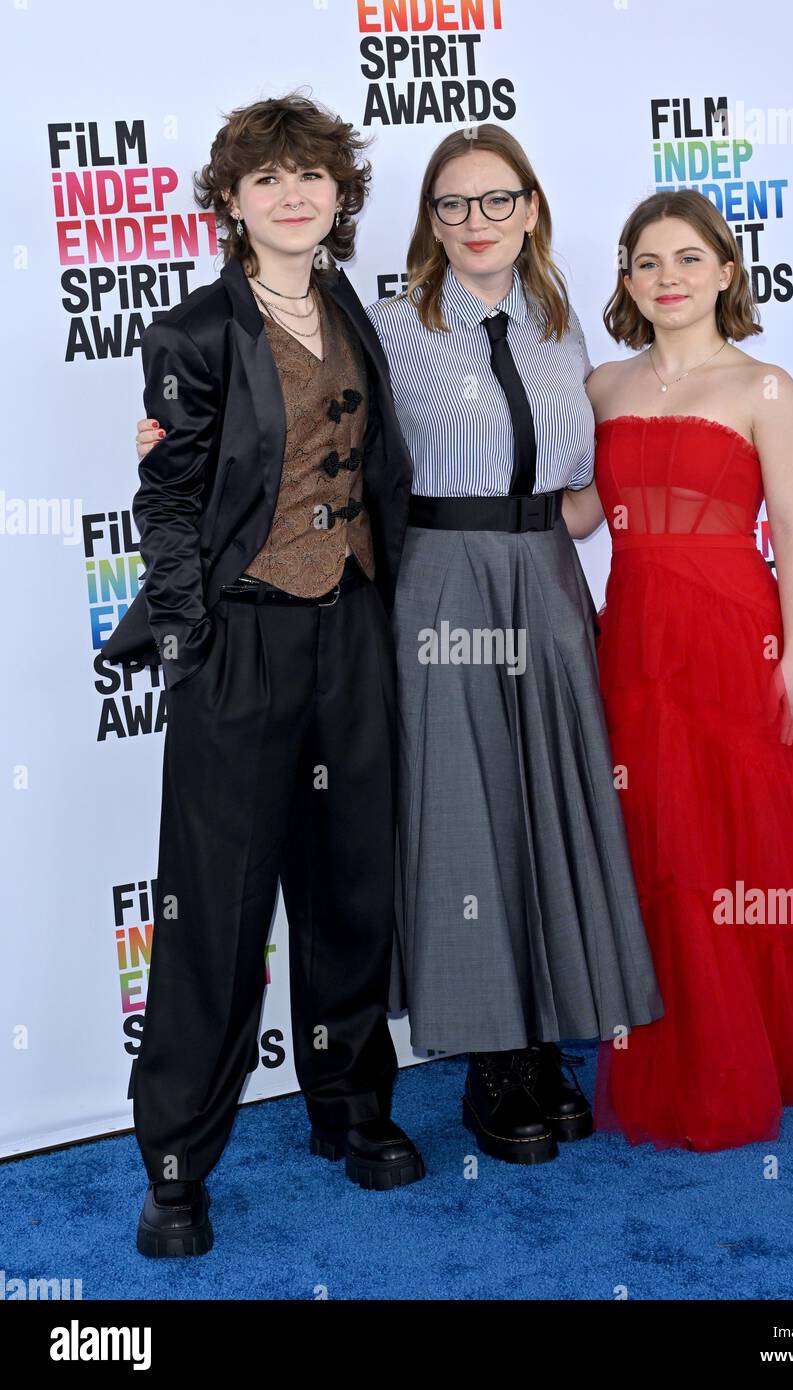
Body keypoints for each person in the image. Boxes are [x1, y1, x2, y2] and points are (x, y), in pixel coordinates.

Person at [105, 93, 423, 1258]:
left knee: (349, 890)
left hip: (354, 632)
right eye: (268, 179)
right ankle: (177, 1164)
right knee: (214, 914)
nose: (295, 196)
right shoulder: (192, 334)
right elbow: (170, 499)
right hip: (241, 640)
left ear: (340, 198)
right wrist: (192, 638)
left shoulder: (352, 305)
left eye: (314, 178)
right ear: (231, 201)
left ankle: (349, 1108)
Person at [563, 189, 793, 1151]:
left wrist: (791, 653)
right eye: (645, 263)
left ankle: (765, 1050)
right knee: (661, 846)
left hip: (735, 635)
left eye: (685, 260)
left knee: (740, 848)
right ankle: (678, 1036)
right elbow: (580, 517)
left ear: (724, 270)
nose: (666, 279)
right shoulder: (602, 388)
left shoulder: (766, 390)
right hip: (634, 635)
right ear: (625, 279)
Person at [361, 126, 663, 1166]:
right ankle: (492, 1051)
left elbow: (578, 493)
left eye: (496, 201)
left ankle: (544, 1034)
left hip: (548, 577)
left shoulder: (558, 326)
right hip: (444, 580)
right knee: (464, 811)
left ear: (531, 208)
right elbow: (317, 430)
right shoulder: (391, 325)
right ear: (430, 222)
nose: (475, 222)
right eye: (453, 205)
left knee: (550, 803)